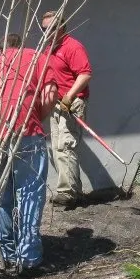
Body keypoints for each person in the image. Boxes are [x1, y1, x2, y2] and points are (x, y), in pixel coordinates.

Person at [0, 33, 57, 273]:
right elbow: (50, 95)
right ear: (19, 46)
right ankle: (28, 258)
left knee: (2, 196)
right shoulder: (34, 56)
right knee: (30, 190)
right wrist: (36, 120)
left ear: (1, 51)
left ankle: (8, 254)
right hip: (21, 124)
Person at [40, 11, 92, 208]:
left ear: (61, 27)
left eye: (50, 28)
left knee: (66, 146)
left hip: (72, 103)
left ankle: (67, 193)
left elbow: (85, 74)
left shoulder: (73, 47)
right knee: (57, 147)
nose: (46, 33)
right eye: (43, 29)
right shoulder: (49, 50)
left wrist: (69, 96)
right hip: (56, 104)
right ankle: (74, 190)